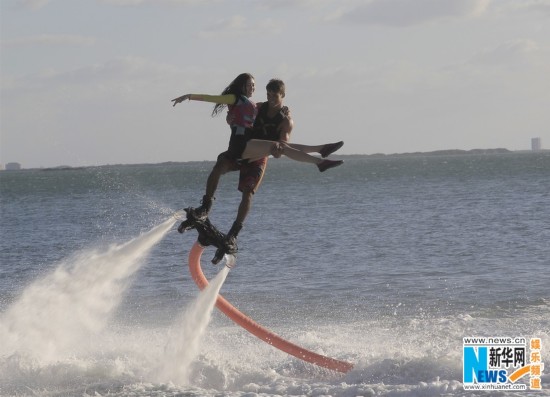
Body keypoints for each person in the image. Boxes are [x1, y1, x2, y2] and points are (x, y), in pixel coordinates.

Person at [172, 74, 344, 256]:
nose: (270, 98)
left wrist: (277, 149)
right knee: (218, 168)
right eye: (268, 94)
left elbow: (283, 145)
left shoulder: (286, 120)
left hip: (258, 156)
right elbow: (237, 114)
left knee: (249, 191)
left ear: (283, 96)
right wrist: (229, 118)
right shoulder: (258, 107)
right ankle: (205, 207)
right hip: (243, 148)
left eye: (274, 96)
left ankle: (233, 234)